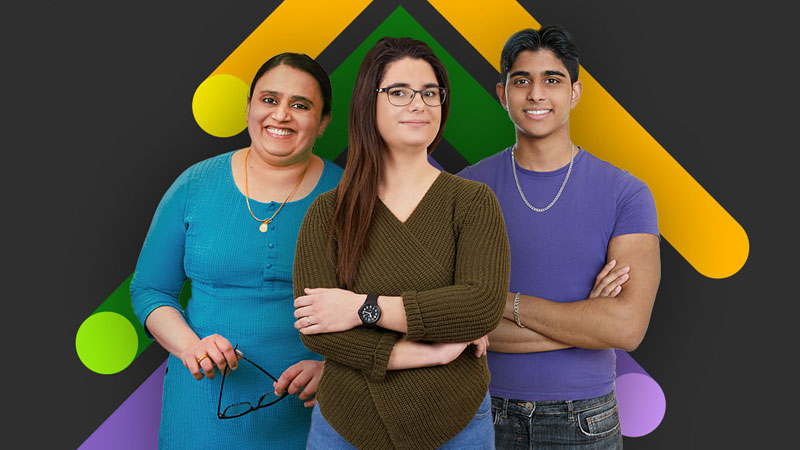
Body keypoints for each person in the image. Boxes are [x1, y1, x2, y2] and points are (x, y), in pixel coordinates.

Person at [291, 37, 510, 450]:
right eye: (399, 92)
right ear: (367, 103)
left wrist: (360, 308)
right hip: (346, 420)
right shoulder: (327, 212)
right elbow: (316, 328)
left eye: (431, 93)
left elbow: (480, 306)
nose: (419, 104)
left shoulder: (473, 202)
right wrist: (430, 352)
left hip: (457, 418)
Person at [457, 25, 661, 449]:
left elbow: (625, 328)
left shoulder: (627, 193)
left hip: (584, 418)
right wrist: (586, 319)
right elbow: (457, 324)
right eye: (521, 81)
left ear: (575, 93)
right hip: (480, 409)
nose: (536, 94)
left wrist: (507, 304)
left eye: (552, 80)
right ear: (501, 93)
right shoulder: (466, 190)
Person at [130, 52, 343, 449]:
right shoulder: (194, 185)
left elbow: (380, 302)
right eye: (269, 100)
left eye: (300, 105)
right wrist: (191, 346)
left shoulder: (351, 196)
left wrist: (334, 367)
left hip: (317, 416)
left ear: (324, 122)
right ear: (248, 108)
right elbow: (149, 291)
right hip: (200, 413)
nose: (281, 115)